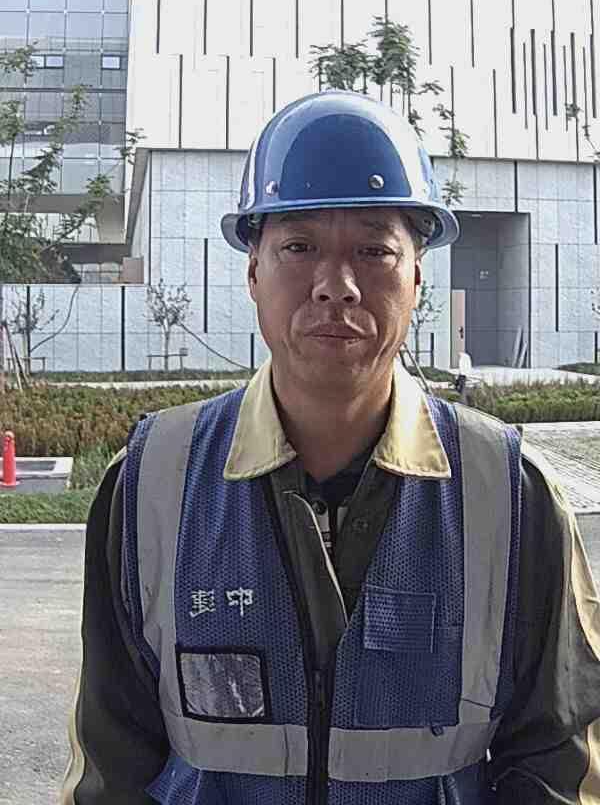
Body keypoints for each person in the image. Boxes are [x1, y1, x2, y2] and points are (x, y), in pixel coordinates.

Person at [61, 90, 600, 804]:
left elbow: (557, 762)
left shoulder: (509, 493)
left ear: (416, 277)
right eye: (299, 246)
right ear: (253, 271)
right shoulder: (152, 482)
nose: (336, 287)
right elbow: (111, 766)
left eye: (374, 250)